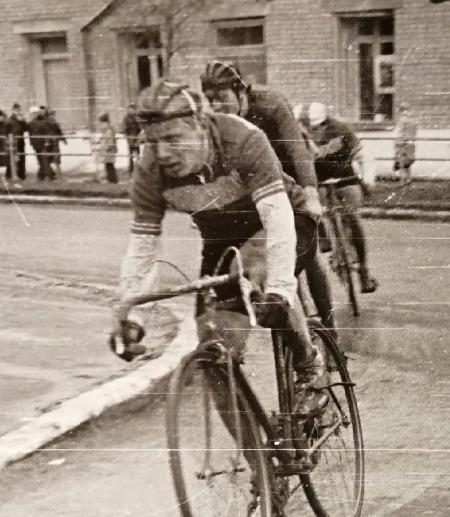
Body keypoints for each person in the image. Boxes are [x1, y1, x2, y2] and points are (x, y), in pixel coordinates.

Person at [108, 79, 327, 421]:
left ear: (200, 124)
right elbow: (142, 247)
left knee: (260, 272)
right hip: (221, 240)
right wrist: (133, 315)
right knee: (214, 353)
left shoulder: (241, 138)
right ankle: (263, 468)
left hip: (285, 219)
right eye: (153, 141)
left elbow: (277, 220)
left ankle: (310, 367)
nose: (162, 153)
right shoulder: (150, 169)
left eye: (173, 139)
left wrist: (281, 290)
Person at [198, 61, 337, 330]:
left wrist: (310, 193)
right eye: (209, 100)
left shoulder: (270, 105)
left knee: (310, 255)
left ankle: (330, 328)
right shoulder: (218, 125)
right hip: (258, 179)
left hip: (289, 170)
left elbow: (298, 150)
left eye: (222, 98)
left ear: (241, 92)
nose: (215, 106)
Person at [296, 102, 379, 294]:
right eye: (307, 127)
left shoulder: (341, 128)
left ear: (326, 122)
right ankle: (324, 235)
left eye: (316, 127)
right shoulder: (295, 135)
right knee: (313, 205)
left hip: (345, 177)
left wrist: (368, 179)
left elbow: (363, 155)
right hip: (318, 182)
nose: (312, 131)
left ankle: (364, 271)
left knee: (352, 214)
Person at [27, 106, 55, 181]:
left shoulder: (40, 122)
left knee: (43, 160)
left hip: (41, 144)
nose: (32, 115)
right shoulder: (33, 123)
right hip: (38, 144)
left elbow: (47, 132)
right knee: (43, 160)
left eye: (33, 113)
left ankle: (46, 176)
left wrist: (46, 143)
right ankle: (46, 175)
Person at [394, 102, 417, 184]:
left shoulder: (402, 119)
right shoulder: (413, 119)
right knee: (408, 161)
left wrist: (397, 142)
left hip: (403, 142)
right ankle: (409, 178)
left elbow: (399, 132)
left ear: (401, 110)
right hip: (412, 142)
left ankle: (402, 180)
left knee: (402, 162)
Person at [7, 103, 28, 181]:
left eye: (18, 110)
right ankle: (11, 174)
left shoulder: (21, 120)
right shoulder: (10, 120)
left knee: (21, 158)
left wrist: (22, 121)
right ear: (13, 110)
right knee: (13, 158)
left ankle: (22, 175)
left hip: (21, 141)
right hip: (13, 141)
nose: (17, 112)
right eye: (16, 110)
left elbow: (26, 128)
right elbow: (7, 130)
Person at [121, 104, 141, 178]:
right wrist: (125, 134)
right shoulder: (126, 118)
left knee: (137, 155)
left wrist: (139, 137)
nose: (131, 111)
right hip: (130, 139)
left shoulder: (137, 117)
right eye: (129, 109)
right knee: (131, 156)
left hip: (136, 138)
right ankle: (131, 171)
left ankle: (138, 171)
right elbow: (123, 128)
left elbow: (141, 127)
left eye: (132, 109)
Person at [97, 113, 118, 184]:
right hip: (107, 149)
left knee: (109, 165)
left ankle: (112, 180)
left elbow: (110, 139)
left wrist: (108, 147)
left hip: (108, 149)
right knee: (108, 165)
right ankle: (111, 179)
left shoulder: (108, 129)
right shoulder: (108, 128)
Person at [45, 108, 66, 179]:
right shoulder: (47, 124)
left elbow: (59, 132)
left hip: (54, 143)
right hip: (50, 144)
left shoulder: (55, 124)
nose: (52, 117)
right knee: (49, 158)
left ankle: (58, 173)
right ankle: (51, 173)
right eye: (51, 115)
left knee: (56, 158)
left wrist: (63, 139)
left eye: (53, 115)